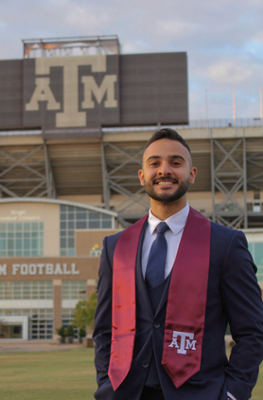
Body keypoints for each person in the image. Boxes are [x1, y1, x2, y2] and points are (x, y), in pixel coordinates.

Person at [93, 128, 263, 400]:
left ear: (192, 174)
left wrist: (233, 394)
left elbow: (252, 330)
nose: (164, 170)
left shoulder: (225, 244)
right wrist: (105, 382)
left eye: (175, 162)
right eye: (154, 163)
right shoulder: (116, 247)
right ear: (142, 176)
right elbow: (104, 330)